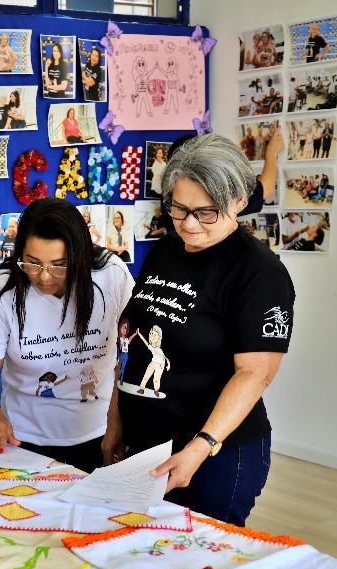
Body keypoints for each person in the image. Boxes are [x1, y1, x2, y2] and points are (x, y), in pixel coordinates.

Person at [112, 134, 295, 526]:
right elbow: (134, 344)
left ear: (238, 202)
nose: (189, 224)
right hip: (147, 442)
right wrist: (116, 423)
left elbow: (255, 373)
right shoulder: (165, 250)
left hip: (216, 454)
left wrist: (201, 447)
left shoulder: (258, 273)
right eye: (178, 208)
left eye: (206, 212)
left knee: (201, 564)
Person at [0, 197, 134, 473]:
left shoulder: (110, 275)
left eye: (59, 264)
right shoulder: (1, 291)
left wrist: (119, 423)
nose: (44, 276)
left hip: (100, 432)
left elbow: (129, 354)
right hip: (21, 437)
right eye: (32, 263)